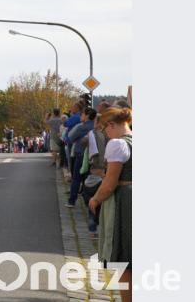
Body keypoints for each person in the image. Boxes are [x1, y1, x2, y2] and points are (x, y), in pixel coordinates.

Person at [89, 107, 132, 302]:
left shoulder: (117, 144)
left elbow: (109, 183)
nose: (105, 133)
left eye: (105, 128)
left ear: (112, 125)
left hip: (124, 202)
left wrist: (95, 199)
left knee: (124, 257)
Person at [66, 107, 96, 207]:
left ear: (87, 115)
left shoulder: (80, 127)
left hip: (81, 154)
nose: (80, 116)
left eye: (82, 114)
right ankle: (88, 201)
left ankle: (72, 201)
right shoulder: (96, 126)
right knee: (88, 178)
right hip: (93, 156)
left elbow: (70, 137)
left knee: (76, 178)